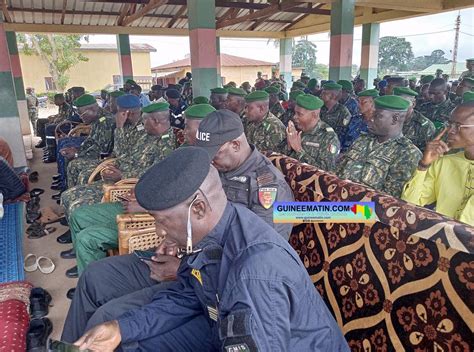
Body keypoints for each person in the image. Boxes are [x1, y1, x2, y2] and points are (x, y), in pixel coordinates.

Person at [69, 147, 348, 351]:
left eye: (162, 221)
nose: (159, 232)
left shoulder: (255, 272)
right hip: (220, 323)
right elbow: (188, 294)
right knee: (127, 341)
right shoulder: (212, 231)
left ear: (199, 208)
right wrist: (121, 328)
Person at [63, 102, 177, 281]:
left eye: (144, 121)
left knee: (87, 237)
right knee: (79, 215)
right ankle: (85, 271)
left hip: (147, 211)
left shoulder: (168, 144)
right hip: (131, 196)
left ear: (155, 121)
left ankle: (93, 284)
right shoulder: (146, 135)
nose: (141, 124)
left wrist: (123, 177)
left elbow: (157, 179)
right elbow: (122, 154)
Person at [402, 101, 474, 225]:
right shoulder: (444, 163)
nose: (450, 130)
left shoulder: (407, 148)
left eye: (458, 126)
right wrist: (423, 166)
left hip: (463, 241)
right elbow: (410, 204)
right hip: (445, 239)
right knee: (361, 214)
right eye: (450, 124)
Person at [337, 95, 422, 198]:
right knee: (313, 210)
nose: (370, 119)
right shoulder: (362, 139)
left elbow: (389, 200)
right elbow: (339, 171)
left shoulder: (407, 153)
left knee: (314, 211)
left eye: (377, 116)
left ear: (395, 119)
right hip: (339, 201)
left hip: (366, 211)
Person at [62, 94, 116, 188]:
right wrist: (77, 149)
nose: (80, 117)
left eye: (81, 114)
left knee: (73, 165)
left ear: (92, 110)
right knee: (68, 155)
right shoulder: (97, 119)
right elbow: (91, 141)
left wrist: (77, 154)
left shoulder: (106, 121)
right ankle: (67, 190)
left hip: (105, 159)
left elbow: (103, 151)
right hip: (95, 155)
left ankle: (76, 194)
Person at [282, 94, 340, 171]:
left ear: (314, 115)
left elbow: (326, 173)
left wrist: (299, 150)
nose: (294, 117)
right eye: (295, 113)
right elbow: (281, 158)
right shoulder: (295, 129)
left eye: (299, 114)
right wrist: (289, 146)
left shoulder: (328, 137)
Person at [394, 87, 435, 152]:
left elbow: (427, 153)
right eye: (395, 105)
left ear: (413, 104)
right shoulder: (388, 119)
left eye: (403, 105)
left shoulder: (424, 126)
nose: (398, 109)